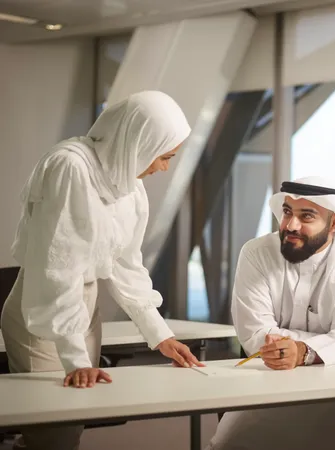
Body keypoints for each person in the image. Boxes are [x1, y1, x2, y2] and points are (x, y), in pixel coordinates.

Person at [0, 91, 203, 450]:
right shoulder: (70, 166)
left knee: (69, 425)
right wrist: (76, 358)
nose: (163, 168)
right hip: (43, 311)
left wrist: (160, 335)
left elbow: (127, 265)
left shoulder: (127, 183)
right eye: (164, 156)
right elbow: (57, 269)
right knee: (54, 433)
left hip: (83, 310)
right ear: (139, 140)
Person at [207, 176, 335, 450]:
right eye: (286, 213)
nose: (291, 226)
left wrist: (303, 351)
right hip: (270, 380)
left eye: (306, 216)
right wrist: (325, 343)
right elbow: (254, 333)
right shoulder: (257, 253)